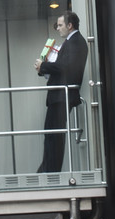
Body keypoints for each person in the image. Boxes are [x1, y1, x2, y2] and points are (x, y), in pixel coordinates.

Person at [34, 11, 88, 173]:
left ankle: (50, 171)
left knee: (54, 135)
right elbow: (63, 66)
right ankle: (47, 169)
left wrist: (43, 65)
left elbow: (65, 67)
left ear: (70, 25)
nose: (58, 28)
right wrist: (44, 68)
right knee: (52, 134)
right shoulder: (72, 42)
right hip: (59, 96)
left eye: (60, 25)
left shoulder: (76, 42)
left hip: (61, 97)